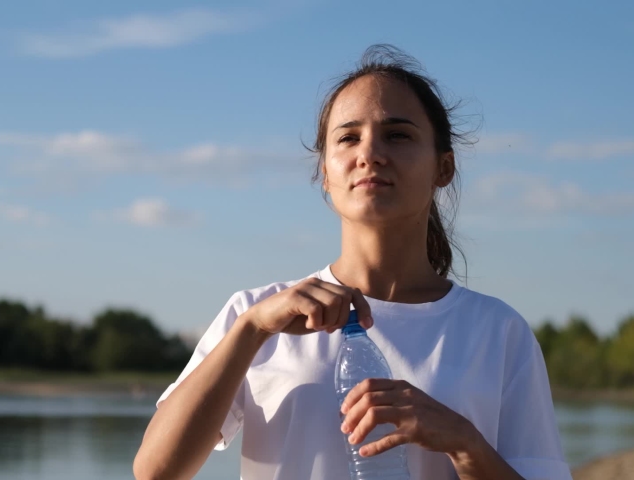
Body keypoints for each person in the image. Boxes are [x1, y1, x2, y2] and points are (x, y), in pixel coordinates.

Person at [133, 45, 572, 480]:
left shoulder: (498, 331)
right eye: (348, 137)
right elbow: (156, 471)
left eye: (398, 135)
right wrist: (252, 330)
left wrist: (465, 442)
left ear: (444, 168)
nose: (371, 154)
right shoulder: (257, 312)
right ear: (325, 173)